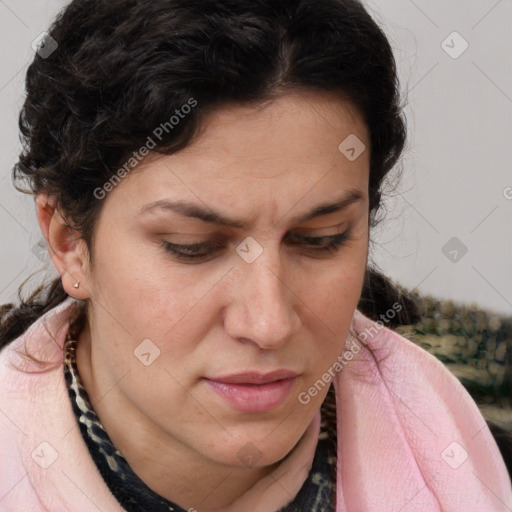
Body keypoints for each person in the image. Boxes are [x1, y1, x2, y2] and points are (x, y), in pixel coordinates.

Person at [0, 0, 511, 510]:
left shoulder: (478, 471)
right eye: (192, 248)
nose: (268, 323)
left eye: (321, 238)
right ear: (70, 244)